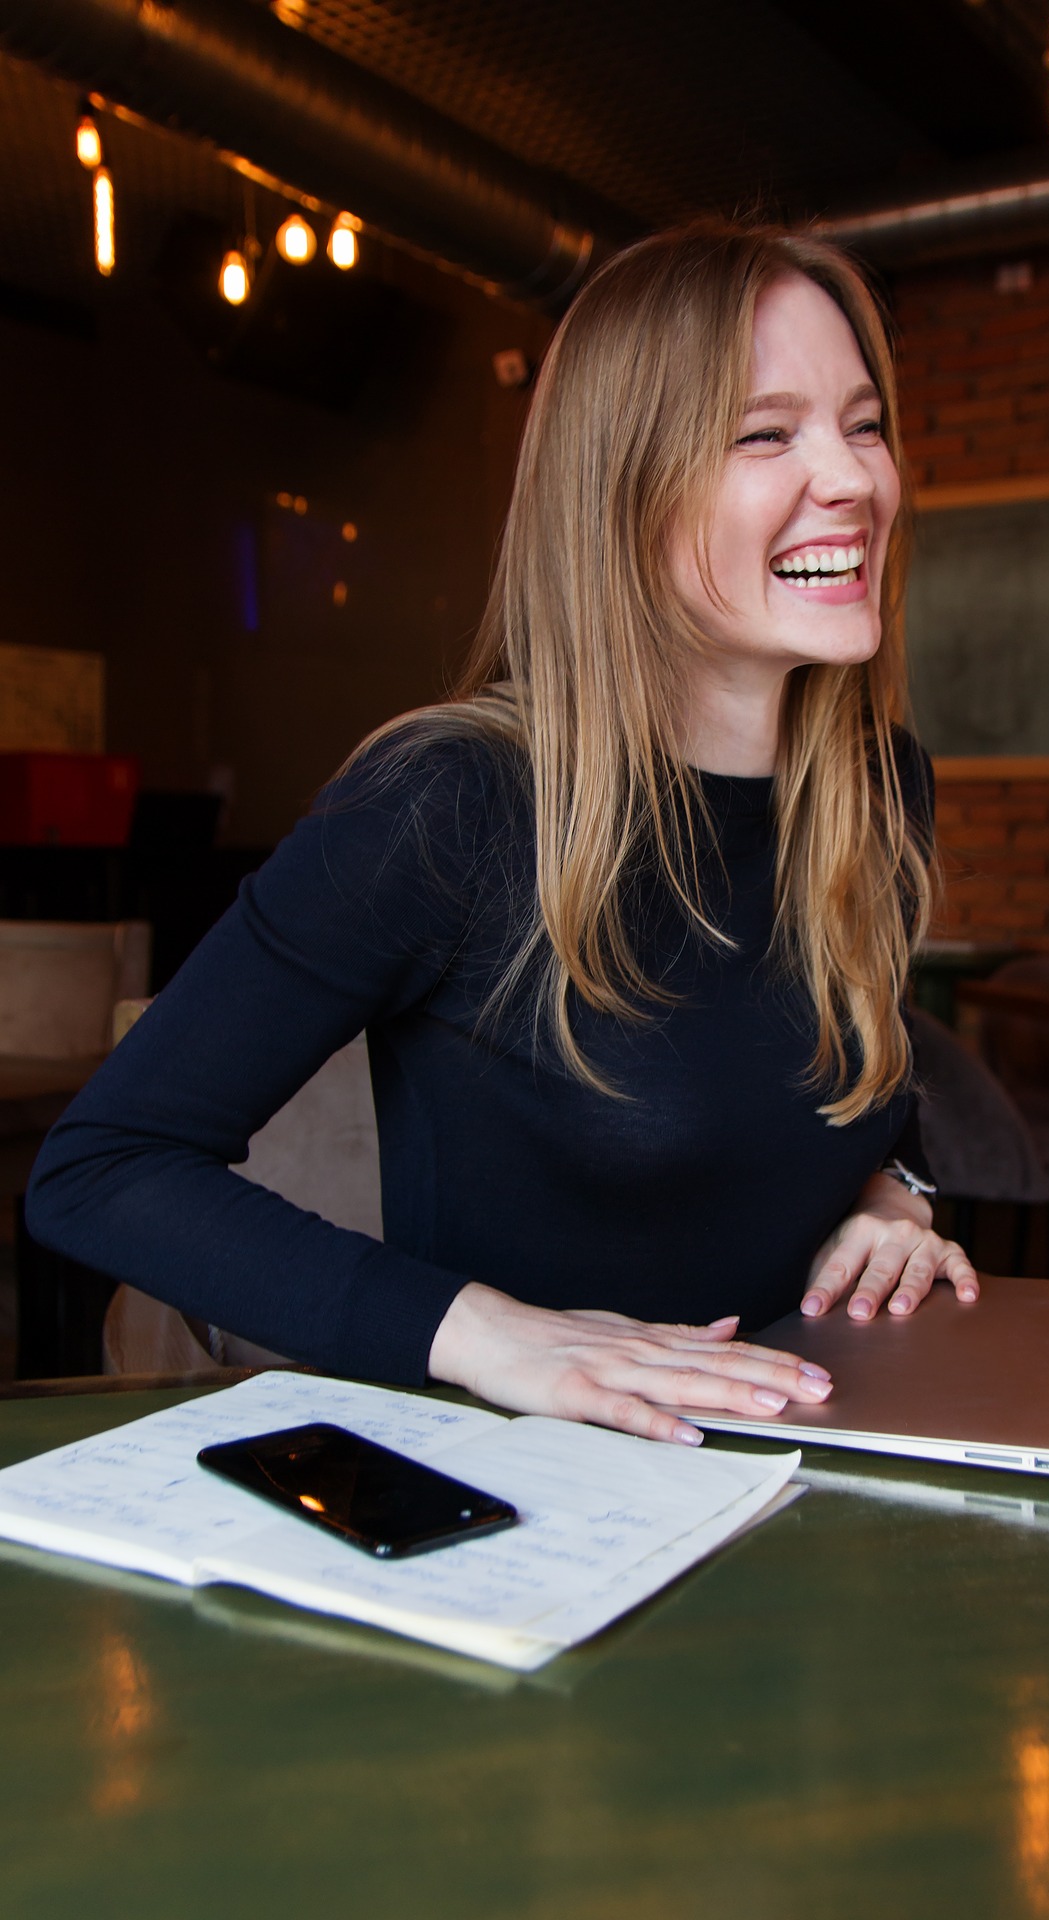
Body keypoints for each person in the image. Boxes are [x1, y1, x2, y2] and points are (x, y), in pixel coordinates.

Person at [26, 223, 977, 1444]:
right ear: (620, 491)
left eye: (861, 423)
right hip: (541, 1507)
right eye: (762, 433)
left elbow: (856, 1092)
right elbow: (103, 1166)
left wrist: (894, 1199)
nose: (851, 478)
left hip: (820, 1463)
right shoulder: (451, 800)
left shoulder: (876, 785)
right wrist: (481, 1330)